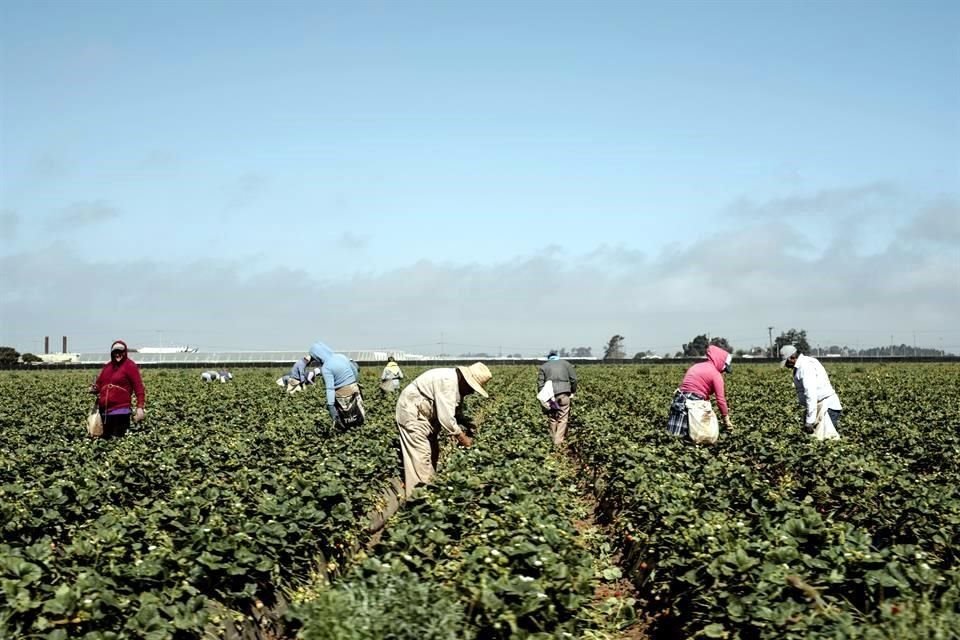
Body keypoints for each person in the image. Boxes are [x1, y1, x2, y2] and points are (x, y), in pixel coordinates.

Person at [395, 362, 492, 497]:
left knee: (434, 451)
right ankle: (419, 497)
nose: (472, 392)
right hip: (412, 412)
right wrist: (463, 438)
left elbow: (455, 411)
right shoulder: (448, 382)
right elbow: (446, 418)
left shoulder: (456, 383)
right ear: (465, 380)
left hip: (425, 415)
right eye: (472, 387)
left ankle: (431, 485)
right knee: (421, 457)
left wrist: (465, 422)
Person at [667, 345, 734, 438]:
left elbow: (685, 385)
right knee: (697, 436)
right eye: (724, 369)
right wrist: (726, 419)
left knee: (674, 436)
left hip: (679, 400)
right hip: (694, 404)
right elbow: (721, 400)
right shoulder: (716, 375)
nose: (723, 371)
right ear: (721, 363)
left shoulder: (696, 366)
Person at [780, 345, 842, 434]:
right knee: (819, 438)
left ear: (792, 358)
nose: (786, 365)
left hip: (826, 407)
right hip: (820, 406)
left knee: (826, 438)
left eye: (786, 362)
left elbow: (811, 394)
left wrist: (809, 421)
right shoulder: (804, 363)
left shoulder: (805, 367)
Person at [89, 340, 146, 438]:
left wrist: (140, 407)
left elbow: (139, 387)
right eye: (115, 352)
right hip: (105, 412)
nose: (117, 354)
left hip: (121, 411)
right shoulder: (107, 367)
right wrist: (95, 388)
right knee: (104, 440)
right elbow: (99, 384)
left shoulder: (130, 366)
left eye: (120, 352)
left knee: (118, 438)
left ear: (125, 352)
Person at [308, 342, 364, 428]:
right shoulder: (341, 357)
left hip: (343, 393)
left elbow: (330, 388)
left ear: (317, 356)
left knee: (348, 417)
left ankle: (348, 430)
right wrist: (354, 382)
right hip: (354, 388)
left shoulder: (326, 367)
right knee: (359, 412)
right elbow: (354, 370)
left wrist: (331, 406)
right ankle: (361, 428)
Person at [537, 350, 578, 446]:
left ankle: (552, 439)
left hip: (550, 395)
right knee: (563, 418)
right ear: (557, 357)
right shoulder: (566, 364)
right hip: (564, 393)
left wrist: (543, 397)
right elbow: (574, 379)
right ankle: (558, 441)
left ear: (549, 358)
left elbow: (540, 384)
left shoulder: (544, 366)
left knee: (552, 417)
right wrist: (572, 391)